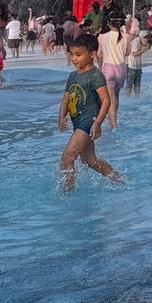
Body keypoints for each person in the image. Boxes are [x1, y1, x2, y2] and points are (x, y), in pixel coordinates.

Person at [56, 35, 122, 190]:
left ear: (92, 54)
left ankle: (68, 193)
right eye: (72, 54)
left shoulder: (95, 75)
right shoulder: (73, 76)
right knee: (89, 160)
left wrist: (98, 123)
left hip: (89, 121)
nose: (74, 59)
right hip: (77, 122)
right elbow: (65, 99)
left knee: (66, 160)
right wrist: (61, 115)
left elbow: (106, 100)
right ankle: (119, 179)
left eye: (78, 55)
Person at [98, 14, 129, 128]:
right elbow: (127, 53)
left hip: (108, 68)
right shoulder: (127, 36)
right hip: (121, 68)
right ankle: (114, 117)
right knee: (116, 96)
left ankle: (113, 125)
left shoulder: (101, 37)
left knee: (109, 98)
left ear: (109, 24)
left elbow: (99, 54)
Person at [127, 31, 150, 98]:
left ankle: (137, 97)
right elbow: (135, 54)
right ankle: (127, 97)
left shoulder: (141, 42)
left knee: (137, 83)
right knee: (130, 83)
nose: (145, 44)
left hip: (138, 65)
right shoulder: (135, 42)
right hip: (131, 65)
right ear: (144, 39)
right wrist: (145, 49)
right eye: (146, 42)